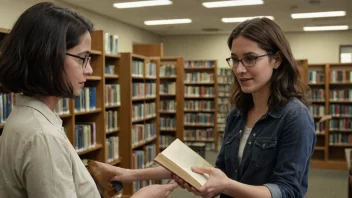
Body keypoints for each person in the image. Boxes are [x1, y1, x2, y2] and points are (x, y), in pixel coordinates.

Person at [89, 17, 316, 198]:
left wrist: (225, 186)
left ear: (276, 59)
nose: (239, 69)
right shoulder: (238, 114)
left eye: (250, 58)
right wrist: (129, 175)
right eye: (235, 59)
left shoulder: (294, 117)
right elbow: (216, 170)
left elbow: (288, 191)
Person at [0, 2, 177, 198]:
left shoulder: (23, 116)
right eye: (82, 58)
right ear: (49, 57)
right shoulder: (43, 137)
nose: (89, 70)